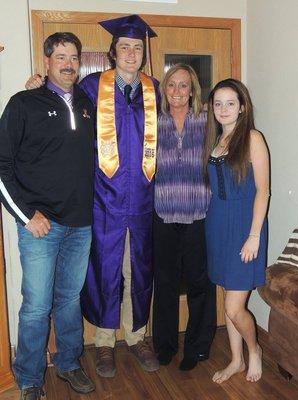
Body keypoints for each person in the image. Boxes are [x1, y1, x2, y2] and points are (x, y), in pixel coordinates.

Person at [25, 15, 160, 378]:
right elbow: (59, 105)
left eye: (137, 48)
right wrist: (37, 86)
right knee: (106, 270)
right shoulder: (90, 86)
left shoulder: (154, 89)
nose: (131, 53)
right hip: (103, 199)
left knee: (138, 269)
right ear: (114, 52)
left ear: (143, 54)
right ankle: (103, 343)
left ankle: (136, 336)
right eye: (125, 47)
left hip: (143, 199)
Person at [0, 33, 96, 399]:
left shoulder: (87, 105)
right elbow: (2, 166)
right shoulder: (24, 103)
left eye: (74, 56)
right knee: (37, 306)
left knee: (69, 301)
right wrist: (27, 216)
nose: (68, 63)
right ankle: (29, 378)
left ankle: (69, 363)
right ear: (47, 61)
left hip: (81, 223)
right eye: (60, 56)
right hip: (41, 227)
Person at [203, 78, 269, 383]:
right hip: (217, 225)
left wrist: (254, 236)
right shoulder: (215, 142)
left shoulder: (253, 138)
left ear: (242, 107)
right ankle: (236, 360)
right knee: (227, 298)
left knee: (234, 306)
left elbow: (263, 191)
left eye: (230, 103)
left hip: (245, 227)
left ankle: (254, 350)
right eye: (218, 103)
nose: (224, 109)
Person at [152, 63, 216, 371]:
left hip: (198, 216)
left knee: (198, 284)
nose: (177, 91)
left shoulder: (206, 122)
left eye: (184, 85)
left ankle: (197, 347)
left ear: (193, 91)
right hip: (163, 216)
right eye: (172, 85)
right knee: (164, 284)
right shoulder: (153, 123)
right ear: (164, 89)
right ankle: (164, 346)